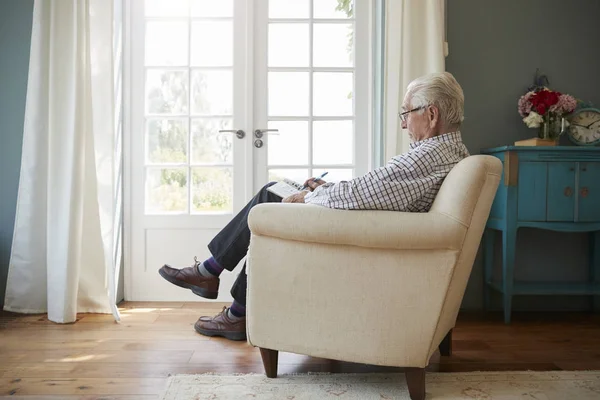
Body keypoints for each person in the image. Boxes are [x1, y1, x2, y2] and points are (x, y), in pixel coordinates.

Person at [158, 71, 470, 341]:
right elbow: (377, 190)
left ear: (431, 115)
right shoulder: (450, 153)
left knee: (270, 199)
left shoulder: (429, 154)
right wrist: (326, 189)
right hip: (375, 229)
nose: (403, 125)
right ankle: (218, 283)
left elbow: (365, 192)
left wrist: (309, 197)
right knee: (276, 192)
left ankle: (220, 287)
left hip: (363, 236)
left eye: (406, 113)